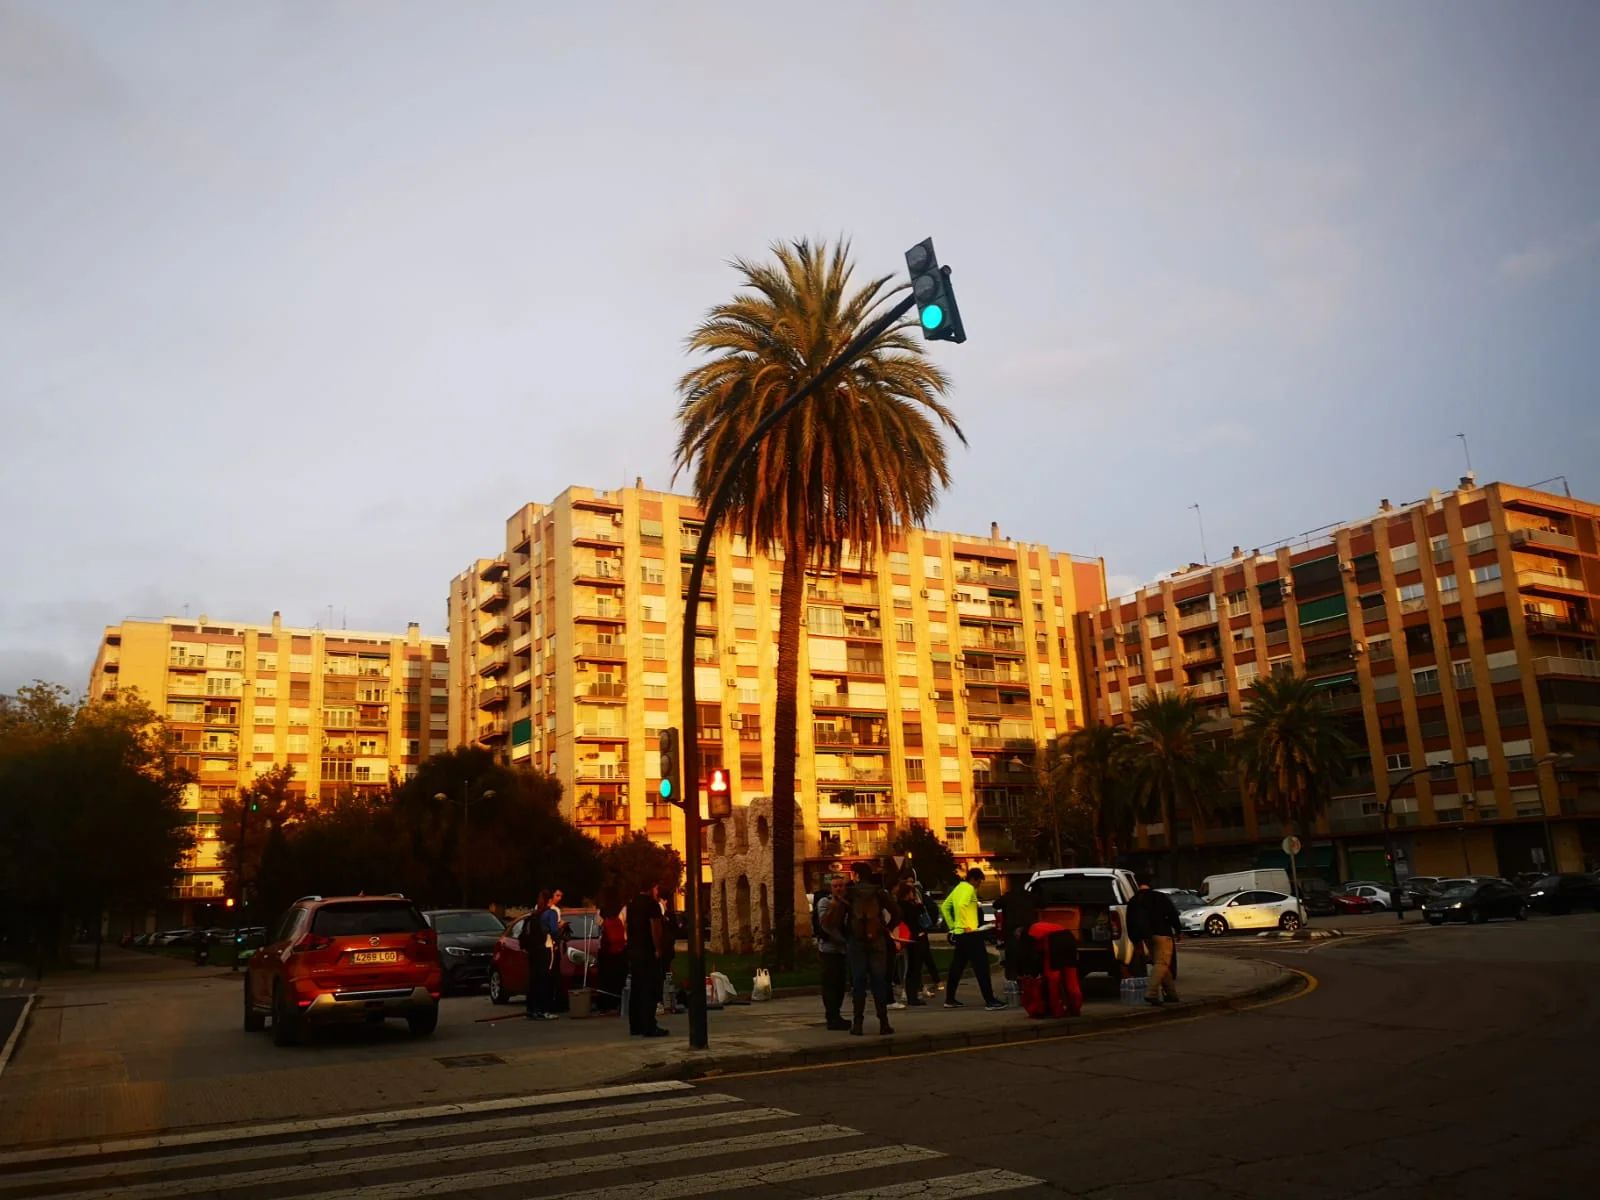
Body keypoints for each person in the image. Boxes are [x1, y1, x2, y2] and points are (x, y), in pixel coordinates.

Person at [843, 861, 898, 1035]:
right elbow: (898, 912)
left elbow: (841, 918)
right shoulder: (879, 892)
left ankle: (857, 1024)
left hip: (856, 942)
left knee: (858, 983)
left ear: (856, 875)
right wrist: (886, 928)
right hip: (877, 941)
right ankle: (884, 1023)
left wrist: (848, 935)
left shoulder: (850, 893)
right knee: (878, 982)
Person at [940, 868, 1005, 1011]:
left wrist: (953, 926)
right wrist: (966, 925)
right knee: (981, 967)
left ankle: (950, 999)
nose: (979, 885)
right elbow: (963, 905)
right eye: (979, 882)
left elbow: (945, 907)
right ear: (974, 879)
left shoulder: (958, 888)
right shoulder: (969, 889)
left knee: (957, 967)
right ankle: (990, 1000)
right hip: (971, 934)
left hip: (960, 934)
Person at [1127, 877, 1182, 1005]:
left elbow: (1130, 923)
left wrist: (1136, 941)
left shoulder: (1134, 901)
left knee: (1161, 964)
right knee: (1162, 963)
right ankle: (1151, 993)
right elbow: (1172, 913)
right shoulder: (1159, 897)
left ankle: (1171, 994)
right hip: (1162, 934)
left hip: (1146, 937)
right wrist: (1178, 930)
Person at [625, 883, 669, 1036]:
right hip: (647, 951)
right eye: (656, 888)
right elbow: (655, 927)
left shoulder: (632, 904)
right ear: (651, 888)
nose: (657, 891)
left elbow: (627, 926)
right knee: (650, 988)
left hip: (634, 951)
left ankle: (635, 1024)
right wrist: (658, 948)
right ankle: (649, 1025)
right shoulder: (652, 905)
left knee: (637, 988)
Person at [815, 874, 851, 1031]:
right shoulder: (825, 902)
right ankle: (832, 1016)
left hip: (842, 951)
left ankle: (836, 1015)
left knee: (840, 984)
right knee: (831, 984)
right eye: (835, 886)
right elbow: (826, 926)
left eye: (841, 886)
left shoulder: (849, 903)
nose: (838, 888)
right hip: (829, 949)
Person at [896, 878, 941, 1001]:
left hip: (911, 938)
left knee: (913, 968)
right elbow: (920, 921)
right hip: (914, 939)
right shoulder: (909, 907)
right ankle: (912, 995)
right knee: (913, 969)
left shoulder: (903, 906)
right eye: (911, 893)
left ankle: (913, 994)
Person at [520, 892, 556, 1021]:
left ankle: (531, 1009)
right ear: (549, 900)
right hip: (544, 948)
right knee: (544, 979)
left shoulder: (534, 914)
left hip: (532, 950)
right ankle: (544, 1009)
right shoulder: (549, 913)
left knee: (533, 979)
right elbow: (553, 930)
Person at [595, 899, 627, 1015]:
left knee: (605, 980)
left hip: (607, 952)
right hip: (619, 953)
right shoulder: (620, 917)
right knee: (618, 980)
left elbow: (601, 933)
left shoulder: (604, 919)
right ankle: (618, 1003)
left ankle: (606, 1005)